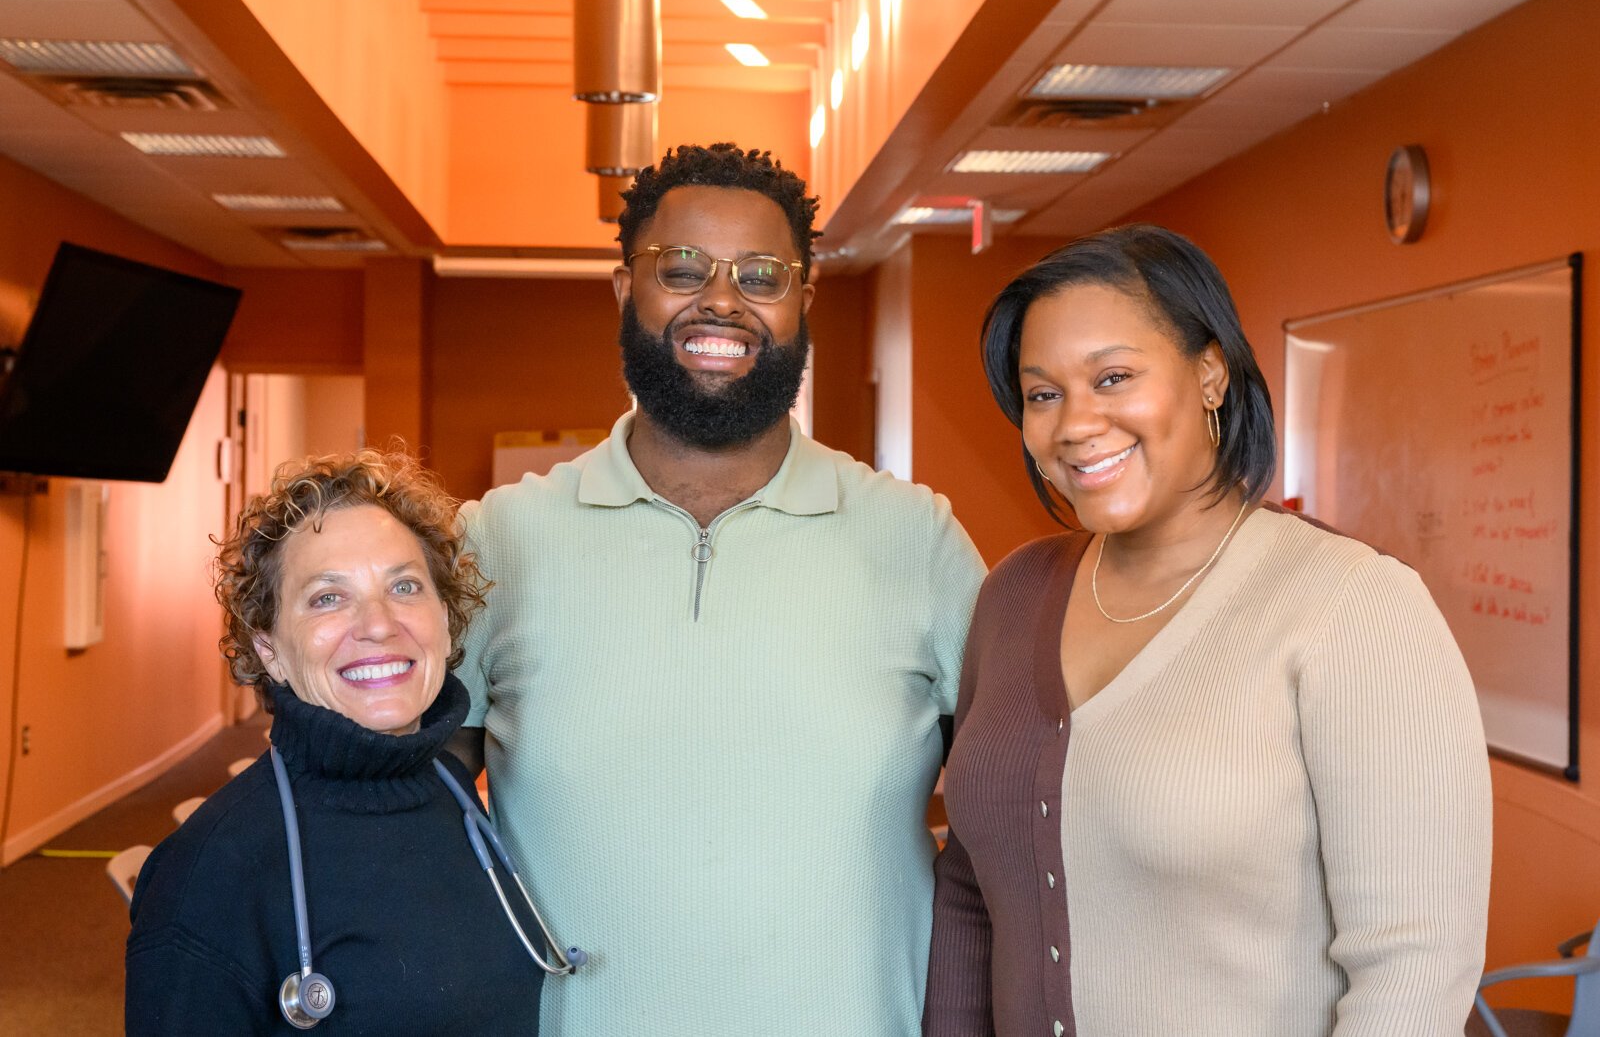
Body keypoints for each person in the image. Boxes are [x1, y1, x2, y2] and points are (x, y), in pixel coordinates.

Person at [449, 142, 986, 1035]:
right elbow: (413, 812)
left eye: (761, 275)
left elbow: (1014, 813)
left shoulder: (917, 538)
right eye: (683, 267)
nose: (723, 301)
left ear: (804, 300)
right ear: (624, 288)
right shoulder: (500, 537)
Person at [923, 225, 1491, 1037]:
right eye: (1042, 394)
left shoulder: (1354, 605)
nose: (1075, 423)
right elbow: (973, 893)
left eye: (1113, 377)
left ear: (1210, 374)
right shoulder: (1013, 595)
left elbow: (1416, 969)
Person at [127, 451, 567, 1035]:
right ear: (270, 651)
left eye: (404, 586)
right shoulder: (210, 875)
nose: (379, 624)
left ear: (444, 620)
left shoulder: (454, 795)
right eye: (328, 597)